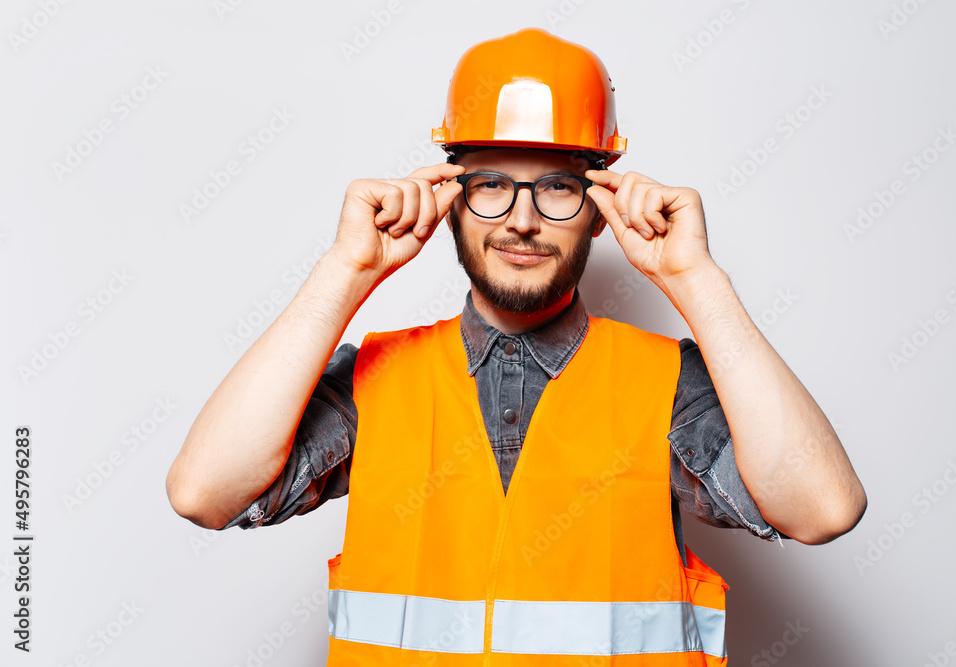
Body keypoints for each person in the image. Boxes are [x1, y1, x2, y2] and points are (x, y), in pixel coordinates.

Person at [166, 27, 866, 665]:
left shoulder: (667, 388)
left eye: (558, 186)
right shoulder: (376, 380)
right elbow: (204, 491)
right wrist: (346, 271)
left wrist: (697, 279)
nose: (523, 220)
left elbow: (823, 507)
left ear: (599, 209)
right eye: (492, 184)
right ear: (448, 202)